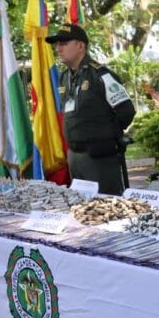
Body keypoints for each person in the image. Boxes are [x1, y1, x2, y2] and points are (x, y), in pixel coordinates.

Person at [45, 23, 136, 195]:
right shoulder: (64, 77)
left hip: (99, 157)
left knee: (106, 205)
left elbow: (126, 110)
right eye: (57, 45)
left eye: (64, 44)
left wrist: (107, 137)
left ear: (80, 46)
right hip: (74, 156)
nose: (58, 49)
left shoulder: (100, 75)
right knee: (83, 206)